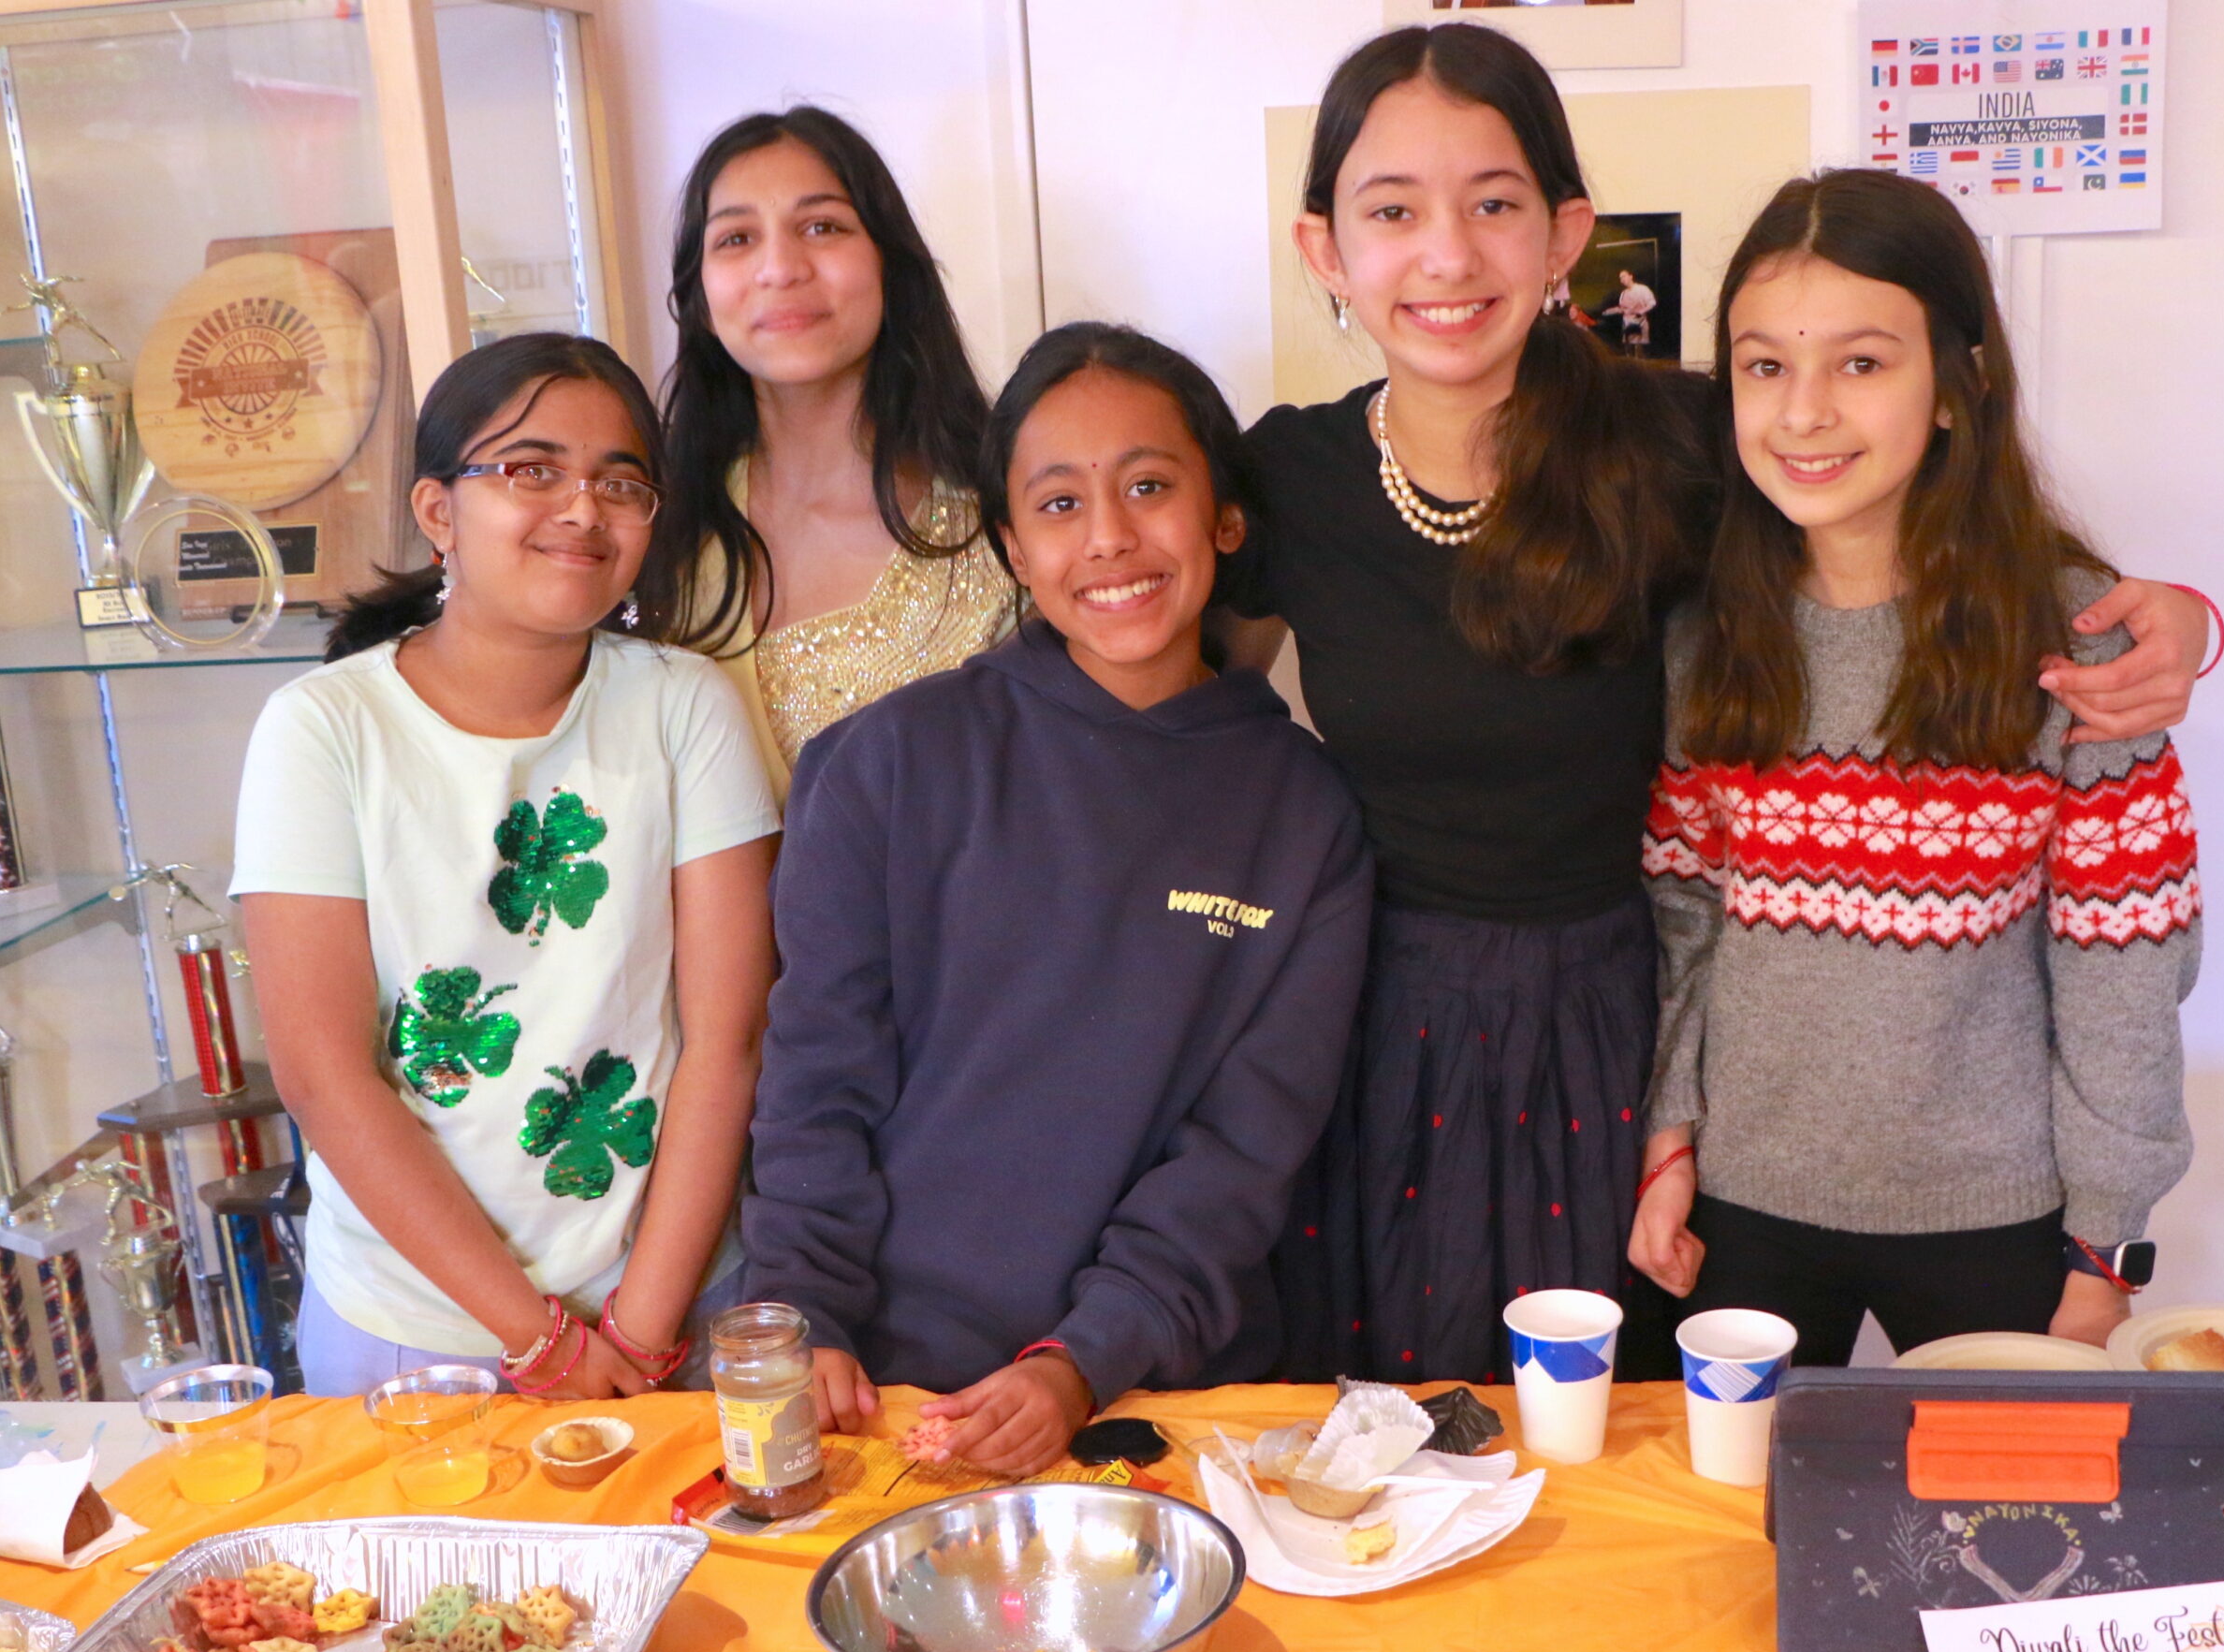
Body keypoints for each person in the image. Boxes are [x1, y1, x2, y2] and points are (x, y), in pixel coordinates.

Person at [1226, 22, 2210, 1386]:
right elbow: (1161, 681)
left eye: (1495, 205)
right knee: (1427, 1426)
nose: (1446, 255)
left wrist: (2182, 624)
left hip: (1616, 1025)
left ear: (1566, 232)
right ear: (1326, 246)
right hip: (1386, 1023)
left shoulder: (1680, 446)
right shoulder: (1287, 479)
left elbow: (1901, 557)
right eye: (1392, 210)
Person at [741, 324, 1372, 1475]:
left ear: (1225, 519)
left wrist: (1078, 1358)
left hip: (1149, 1390)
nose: (1112, 539)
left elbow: (1241, 1152)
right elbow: (814, 1084)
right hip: (882, 1384)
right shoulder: (883, 765)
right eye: (1060, 504)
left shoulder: (1306, 817)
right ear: (1012, 548)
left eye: (1148, 486)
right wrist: (808, 1315)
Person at [1627, 168, 2200, 1362]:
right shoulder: (1704, 640)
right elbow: (1684, 917)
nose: (1803, 414)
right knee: (1732, 1537)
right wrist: (1669, 1136)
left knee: (2000, 1536)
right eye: (1764, 365)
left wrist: (2107, 1242)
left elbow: (2124, 965)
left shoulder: (2085, 644)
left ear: (1954, 385)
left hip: (1998, 1217)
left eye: (1861, 362)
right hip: (1744, 1208)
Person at [234, 334, 782, 1398]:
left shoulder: (684, 703)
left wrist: (642, 1328)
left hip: (666, 1300)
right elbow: (323, 1072)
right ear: (439, 512)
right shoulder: (322, 729)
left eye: (620, 482)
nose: (582, 509)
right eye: (532, 471)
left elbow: (729, 1037)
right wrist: (542, 1341)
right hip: (415, 1326)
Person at [663, 108, 1019, 797]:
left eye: (822, 226)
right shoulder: (653, 541)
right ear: (700, 294)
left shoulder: (1008, 534)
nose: (780, 268)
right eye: (736, 238)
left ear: (890, 260)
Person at [1612, 268, 1657, 358]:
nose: (1622, 280)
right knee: (1629, 350)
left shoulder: (1642, 289)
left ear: (1630, 276)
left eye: (1624, 277)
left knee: (1639, 350)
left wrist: (1641, 311)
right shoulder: (1624, 293)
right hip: (1627, 324)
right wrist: (1614, 311)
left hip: (1640, 322)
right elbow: (1622, 308)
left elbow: (1652, 303)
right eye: (1620, 278)